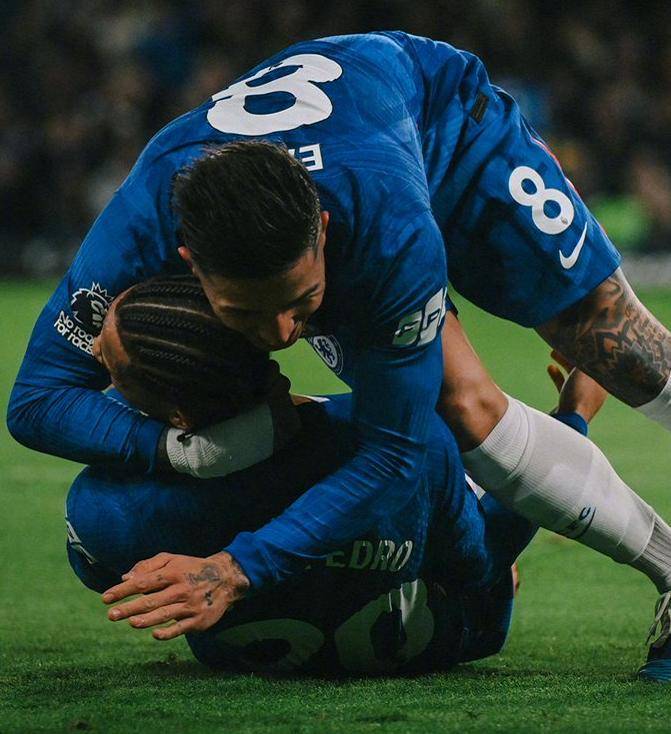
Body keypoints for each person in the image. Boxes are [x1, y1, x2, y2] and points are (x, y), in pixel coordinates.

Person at [7, 32, 671, 679]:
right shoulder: (141, 223)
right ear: (187, 261)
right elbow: (37, 398)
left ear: (323, 234)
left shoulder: (384, 229)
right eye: (244, 312)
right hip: (338, 173)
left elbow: (396, 454)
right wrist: (186, 451)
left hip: (439, 123)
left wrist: (239, 566)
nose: (281, 335)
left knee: (594, 339)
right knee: (459, 410)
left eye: (301, 302)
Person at [68, 275, 598, 676]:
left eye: (111, 367)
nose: (93, 354)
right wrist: (572, 418)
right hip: (445, 640)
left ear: (178, 417)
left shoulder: (106, 507)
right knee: (474, 493)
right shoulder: (401, 439)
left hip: (252, 663)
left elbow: (101, 573)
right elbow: (480, 564)